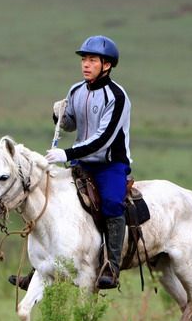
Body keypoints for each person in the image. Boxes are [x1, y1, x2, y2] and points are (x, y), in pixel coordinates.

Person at [9, 35, 132, 290]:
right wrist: (59, 117)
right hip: (81, 162)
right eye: (84, 60)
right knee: (48, 199)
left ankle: (111, 266)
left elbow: (104, 139)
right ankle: (40, 266)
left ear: (106, 65)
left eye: (92, 60)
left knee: (111, 203)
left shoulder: (117, 97)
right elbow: (70, 123)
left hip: (109, 164)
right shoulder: (76, 90)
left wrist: (66, 154)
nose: (85, 64)